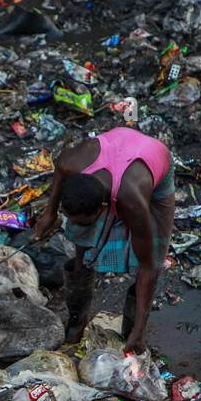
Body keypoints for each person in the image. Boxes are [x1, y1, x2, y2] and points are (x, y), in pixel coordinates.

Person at [30, 127, 175, 353]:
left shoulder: (132, 200)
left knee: (153, 252)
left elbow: (148, 265)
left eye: (87, 221)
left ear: (104, 208)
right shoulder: (72, 162)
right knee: (80, 242)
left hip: (152, 159)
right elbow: (59, 169)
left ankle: (131, 331)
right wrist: (49, 214)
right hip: (116, 146)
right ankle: (77, 320)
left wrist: (140, 331)